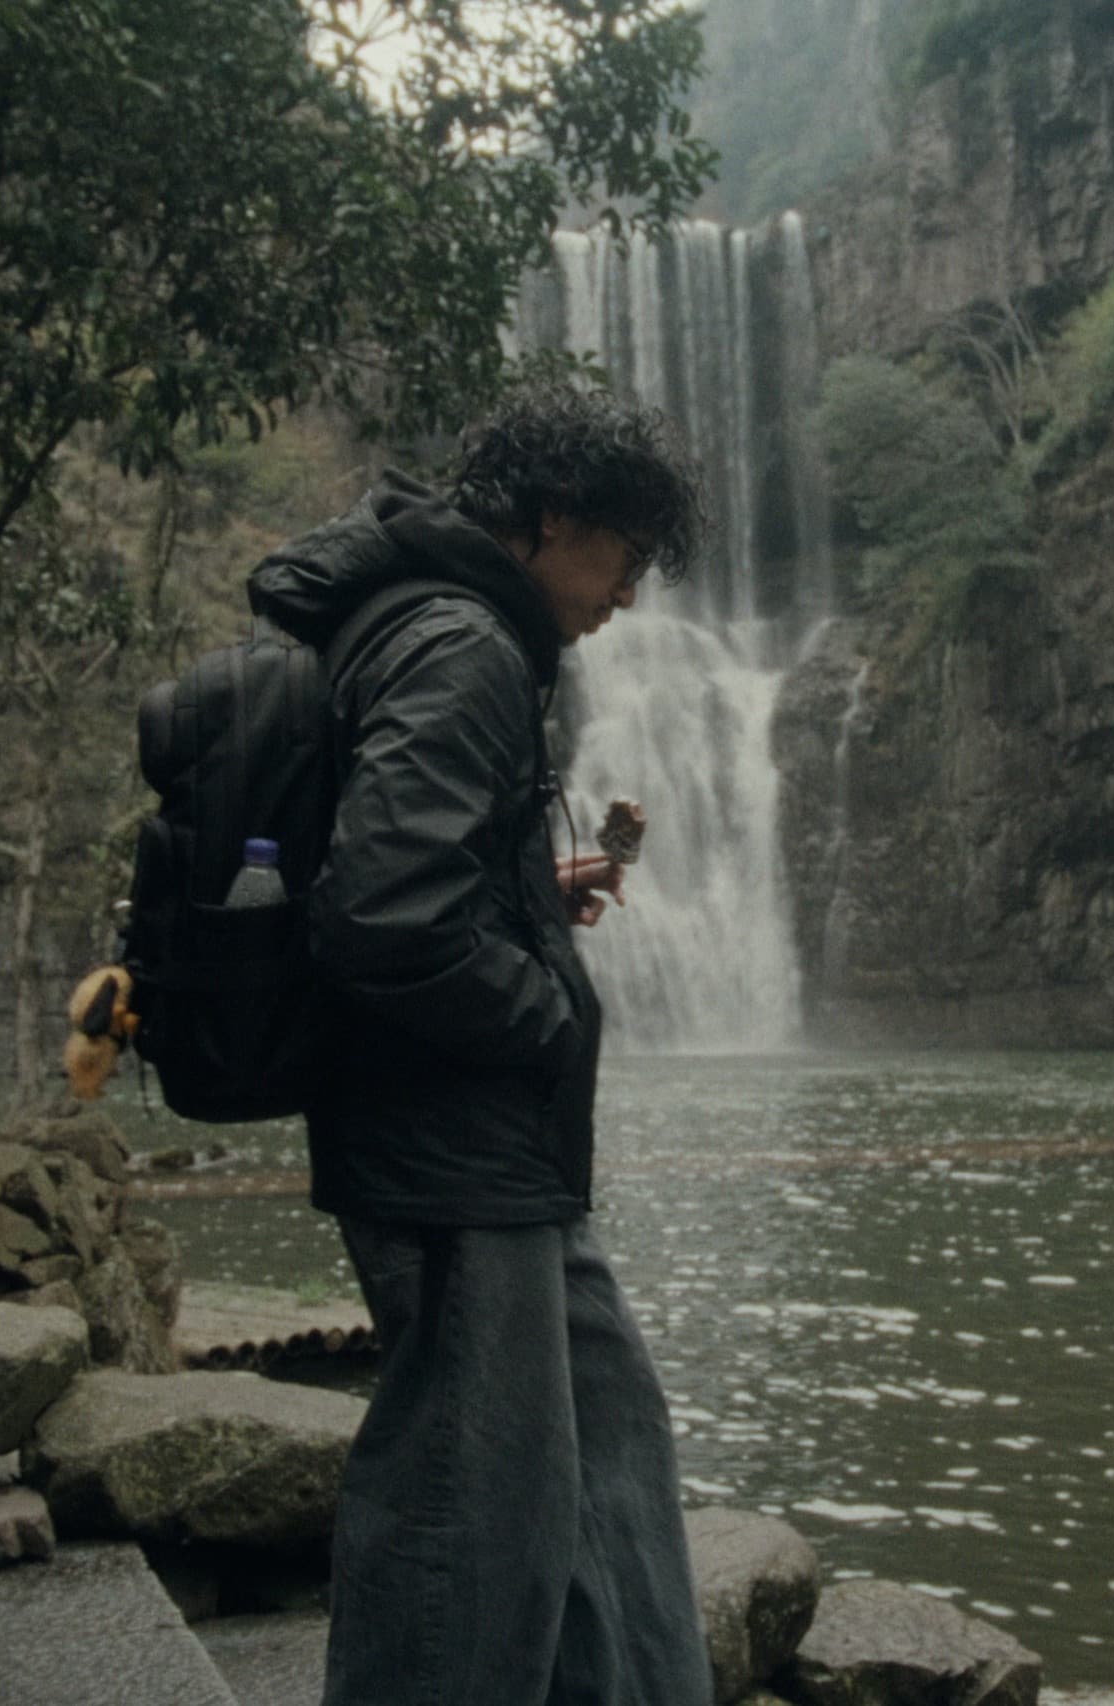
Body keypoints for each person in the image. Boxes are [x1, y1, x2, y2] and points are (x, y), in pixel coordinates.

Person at [245, 384, 714, 1706]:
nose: (626, 595)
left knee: (605, 1442)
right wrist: (546, 1006)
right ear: (556, 519)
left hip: (491, 1144)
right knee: (468, 1506)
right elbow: (382, 910)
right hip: (450, 1145)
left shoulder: (438, 625)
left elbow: (405, 870)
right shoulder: (464, 643)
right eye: (621, 555)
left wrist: (526, 901)